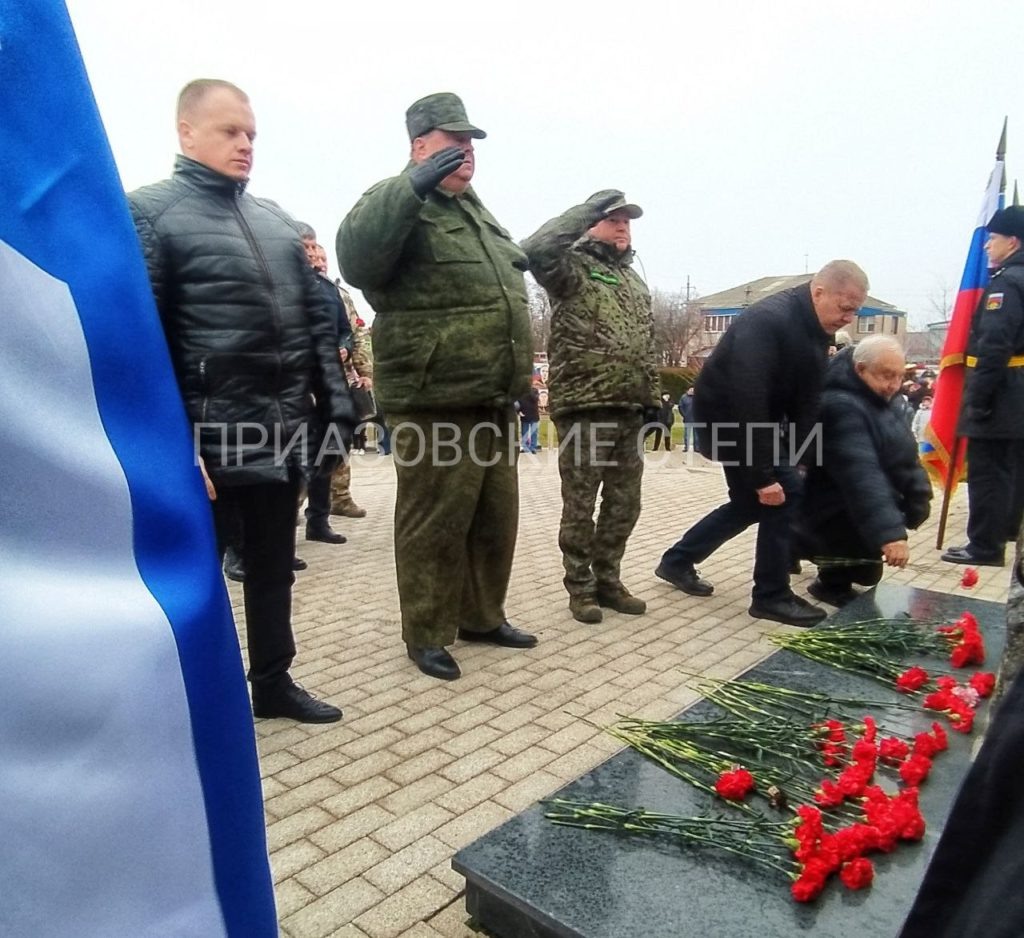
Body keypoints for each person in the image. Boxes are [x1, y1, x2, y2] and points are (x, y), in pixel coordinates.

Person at [128, 79, 354, 722]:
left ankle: (273, 683)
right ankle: (187, 696)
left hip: (279, 433)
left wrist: (330, 415)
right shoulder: (151, 214)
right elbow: (142, 339)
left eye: (251, 133)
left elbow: (316, 330)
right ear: (186, 132)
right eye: (229, 131)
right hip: (205, 438)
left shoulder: (278, 223)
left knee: (273, 568)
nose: (244, 145)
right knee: (189, 578)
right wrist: (173, 441)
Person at [337, 91, 537, 680]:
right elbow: (357, 260)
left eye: (470, 144)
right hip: (433, 400)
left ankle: (481, 616)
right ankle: (426, 632)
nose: (465, 153)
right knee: (434, 521)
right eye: (453, 143)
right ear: (419, 146)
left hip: (490, 396)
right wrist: (414, 184)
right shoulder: (396, 199)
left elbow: (511, 275)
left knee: (494, 518)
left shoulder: (475, 212)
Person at [654, 260, 867, 627]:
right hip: (727, 421)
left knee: (751, 504)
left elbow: (807, 399)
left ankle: (677, 561)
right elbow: (746, 399)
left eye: (856, 311)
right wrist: (763, 475)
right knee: (779, 494)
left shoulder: (816, 327)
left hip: (760, 421)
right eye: (845, 307)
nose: (848, 318)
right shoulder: (768, 320)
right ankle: (770, 595)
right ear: (819, 292)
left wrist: (799, 457)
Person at [522, 190, 657, 624]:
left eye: (627, 221)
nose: (623, 226)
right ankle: (579, 588)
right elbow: (535, 249)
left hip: (629, 408)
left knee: (625, 504)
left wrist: (652, 398)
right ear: (590, 224)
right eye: (612, 219)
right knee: (580, 504)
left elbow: (645, 344)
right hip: (585, 406)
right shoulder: (572, 269)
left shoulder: (635, 281)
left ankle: (608, 580)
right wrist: (584, 211)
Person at [793, 337, 932, 606]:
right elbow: (861, 474)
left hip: (863, 506)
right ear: (860, 370)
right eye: (886, 376)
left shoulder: (881, 400)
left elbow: (903, 452)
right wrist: (891, 534)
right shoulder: (841, 406)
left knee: (868, 573)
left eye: (899, 377)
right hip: (836, 506)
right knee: (863, 568)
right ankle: (827, 581)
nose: (893, 385)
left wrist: (918, 496)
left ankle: (798, 551)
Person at [942, 206, 1024, 568]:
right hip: (1017, 391)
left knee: (989, 472)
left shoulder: (1006, 283)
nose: (987, 247)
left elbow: (994, 345)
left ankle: (985, 546)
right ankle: (1004, 532)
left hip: (1002, 389)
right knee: (1010, 469)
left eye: (992, 240)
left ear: (1013, 241)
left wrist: (977, 400)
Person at [297, 228, 352, 546]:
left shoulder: (329, 289)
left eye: (316, 248)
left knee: (326, 451)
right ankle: (279, 535)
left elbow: (345, 329)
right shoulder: (285, 284)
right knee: (293, 455)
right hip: (297, 380)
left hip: (329, 380)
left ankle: (318, 521)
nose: (313, 254)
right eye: (306, 248)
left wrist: (343, 346)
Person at [516, 385, 541, 454]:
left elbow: (535, 398)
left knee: (534, 433)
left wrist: (531, 392)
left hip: (533, 415)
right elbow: (517, 403)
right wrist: (518, 411)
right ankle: (526, 447)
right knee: (525, 432)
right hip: (524, 415)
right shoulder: (520, 393)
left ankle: (533, 447)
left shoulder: (534, 391)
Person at [678, 386, 696, 451]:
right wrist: (684, 415)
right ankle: (686, 447)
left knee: (696, 435)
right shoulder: (683, 397)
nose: (692, 391)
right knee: (687, 434)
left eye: (693, 390)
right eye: (691, 389)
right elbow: (680, 407)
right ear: (688, 390)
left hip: (696, 419)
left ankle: (696, 448)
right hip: (687, 418)